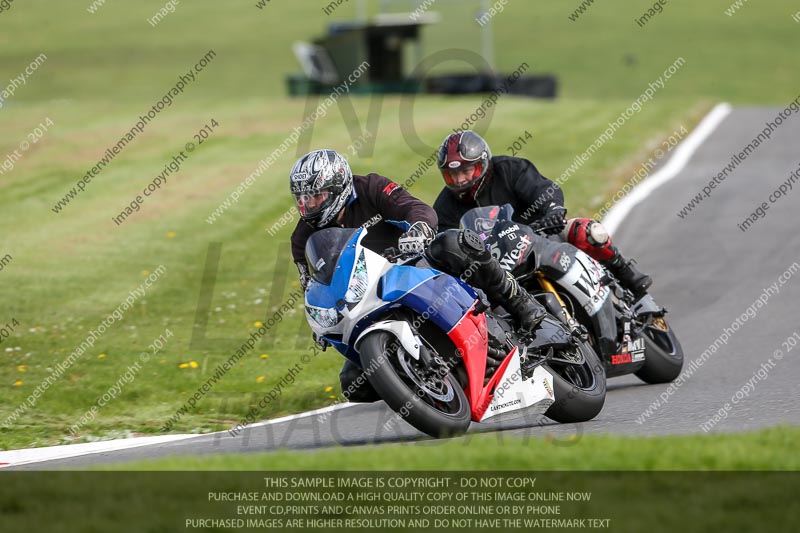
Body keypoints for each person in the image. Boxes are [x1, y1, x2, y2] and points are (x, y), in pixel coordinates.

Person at [289, 149, 546, 402]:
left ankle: (521, 303)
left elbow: (413, 208)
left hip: (411, 264)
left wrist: (419, 228)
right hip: (366, 297)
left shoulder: (370, 187)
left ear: (338, 187)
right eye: (301, 199)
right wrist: (321, 319)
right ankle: (424, 385)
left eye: (315, 196)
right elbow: (313, 284)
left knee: (452, 243)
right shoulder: (302, 238)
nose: (307, 205)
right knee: (354, 385)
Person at [432, 130, 652, 297]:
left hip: (543, 234)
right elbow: (443, 239)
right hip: (499, 265)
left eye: (465, 171)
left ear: (482, 164)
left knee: (586, 231)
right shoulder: (445, 203)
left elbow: (543, 189)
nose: (460, 180)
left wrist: (553, 210)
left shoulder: (509, 169)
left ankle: (626, 274)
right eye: (452, 175)